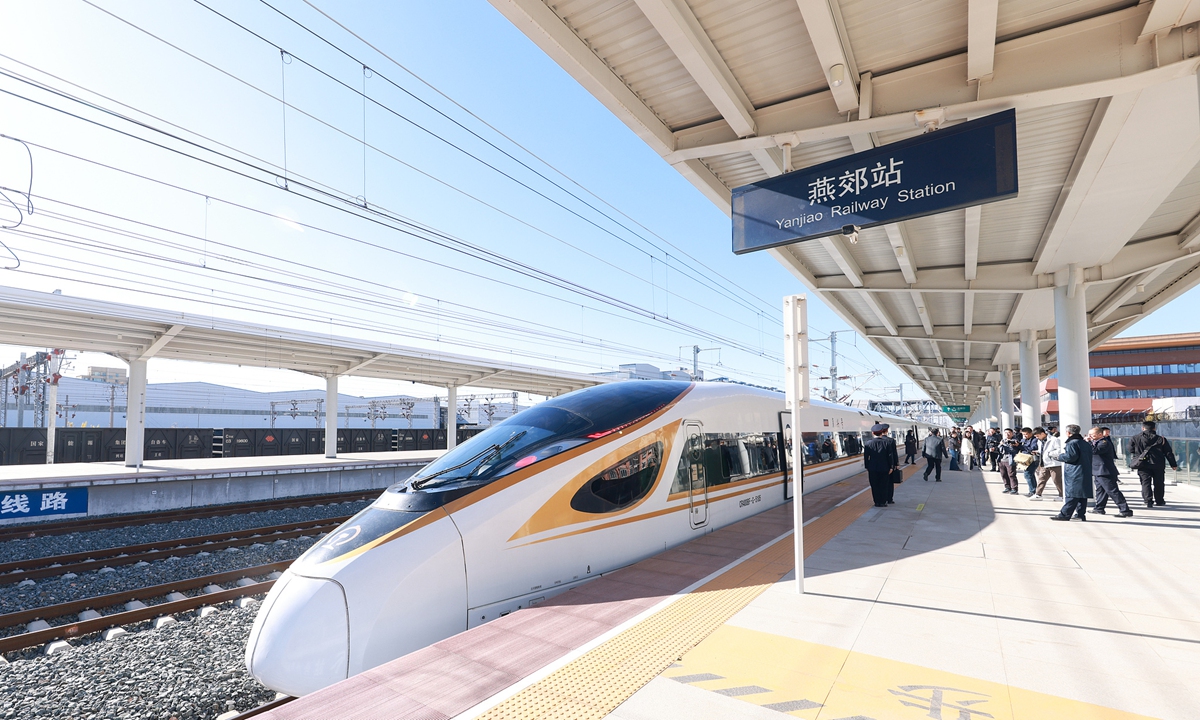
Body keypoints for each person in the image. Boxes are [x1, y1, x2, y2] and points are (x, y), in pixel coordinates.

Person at [1128, 420, 1178, 508]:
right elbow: (1168, 453)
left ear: (1143, 428)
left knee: (1145, 482)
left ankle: (1148, 501)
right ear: (1154, 428)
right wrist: (1173, 464)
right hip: (1158, 464)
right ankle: (1159, 501)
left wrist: (1140, 453)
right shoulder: (1161, 439)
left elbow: (1130, 449)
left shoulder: (1135, 438)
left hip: (1142, 463)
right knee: (1159, 483)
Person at [1051, 424, 1093, 521]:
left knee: (1072, 494)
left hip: (1074, 472)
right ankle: (1080, 514)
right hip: (1084, 470)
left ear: (1068, 433)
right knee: (1082, 495)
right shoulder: (1085, 443)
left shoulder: (1072, 443)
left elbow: (1070, 457)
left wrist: (1059, 457)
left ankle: (1064, 514)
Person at [1088, 427, 1132, 518]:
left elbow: (1095, 451)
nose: (1090, 436)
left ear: (1100, 435)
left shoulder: (1104, 443)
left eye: (1092, 435)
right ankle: (1099, 508)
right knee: (1100, 490)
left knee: (1112, 491)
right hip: (1097, 470)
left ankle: (1125, 509)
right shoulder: (1095, 442)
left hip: (1105, 471)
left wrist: (1088, 443)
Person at [864, 423, 899, 508]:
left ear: (873, 433)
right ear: (881, 432)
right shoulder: (886, 443)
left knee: (874, 485)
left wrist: (867, 466)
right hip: (885, 468)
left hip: (872, 468)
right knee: (884, 485)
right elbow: (890, 456)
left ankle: (876, 502)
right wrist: (891, 466)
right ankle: (883, 502)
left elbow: (866, 457)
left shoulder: (868, 443)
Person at [1032, 427, 1063, 500]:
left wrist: (1049, 453)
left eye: (1037, 436)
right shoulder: (1040, 441)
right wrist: (1037, 452)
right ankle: (1038, 494)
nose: (1037, 438)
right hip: (1044, 463)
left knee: (1057, 480)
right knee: (1041, 479)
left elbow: (1059, 450)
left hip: (1054, 464)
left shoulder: (1054, 440)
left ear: (1042, 433)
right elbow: (1042, 450)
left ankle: (1061, 495)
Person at [1019, 427, 1040, 496]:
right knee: (1029, 475)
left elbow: (1032, 448)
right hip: (1024, 459)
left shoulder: (1034, 440)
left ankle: (1032, 491)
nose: (1025, 436)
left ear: (1031, 433)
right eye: (1023, 434)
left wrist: (1020, 446)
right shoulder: (1023, 440)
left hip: (1032, 459)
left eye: (1026, 434)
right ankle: (1033, 490)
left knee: (1028, 474)